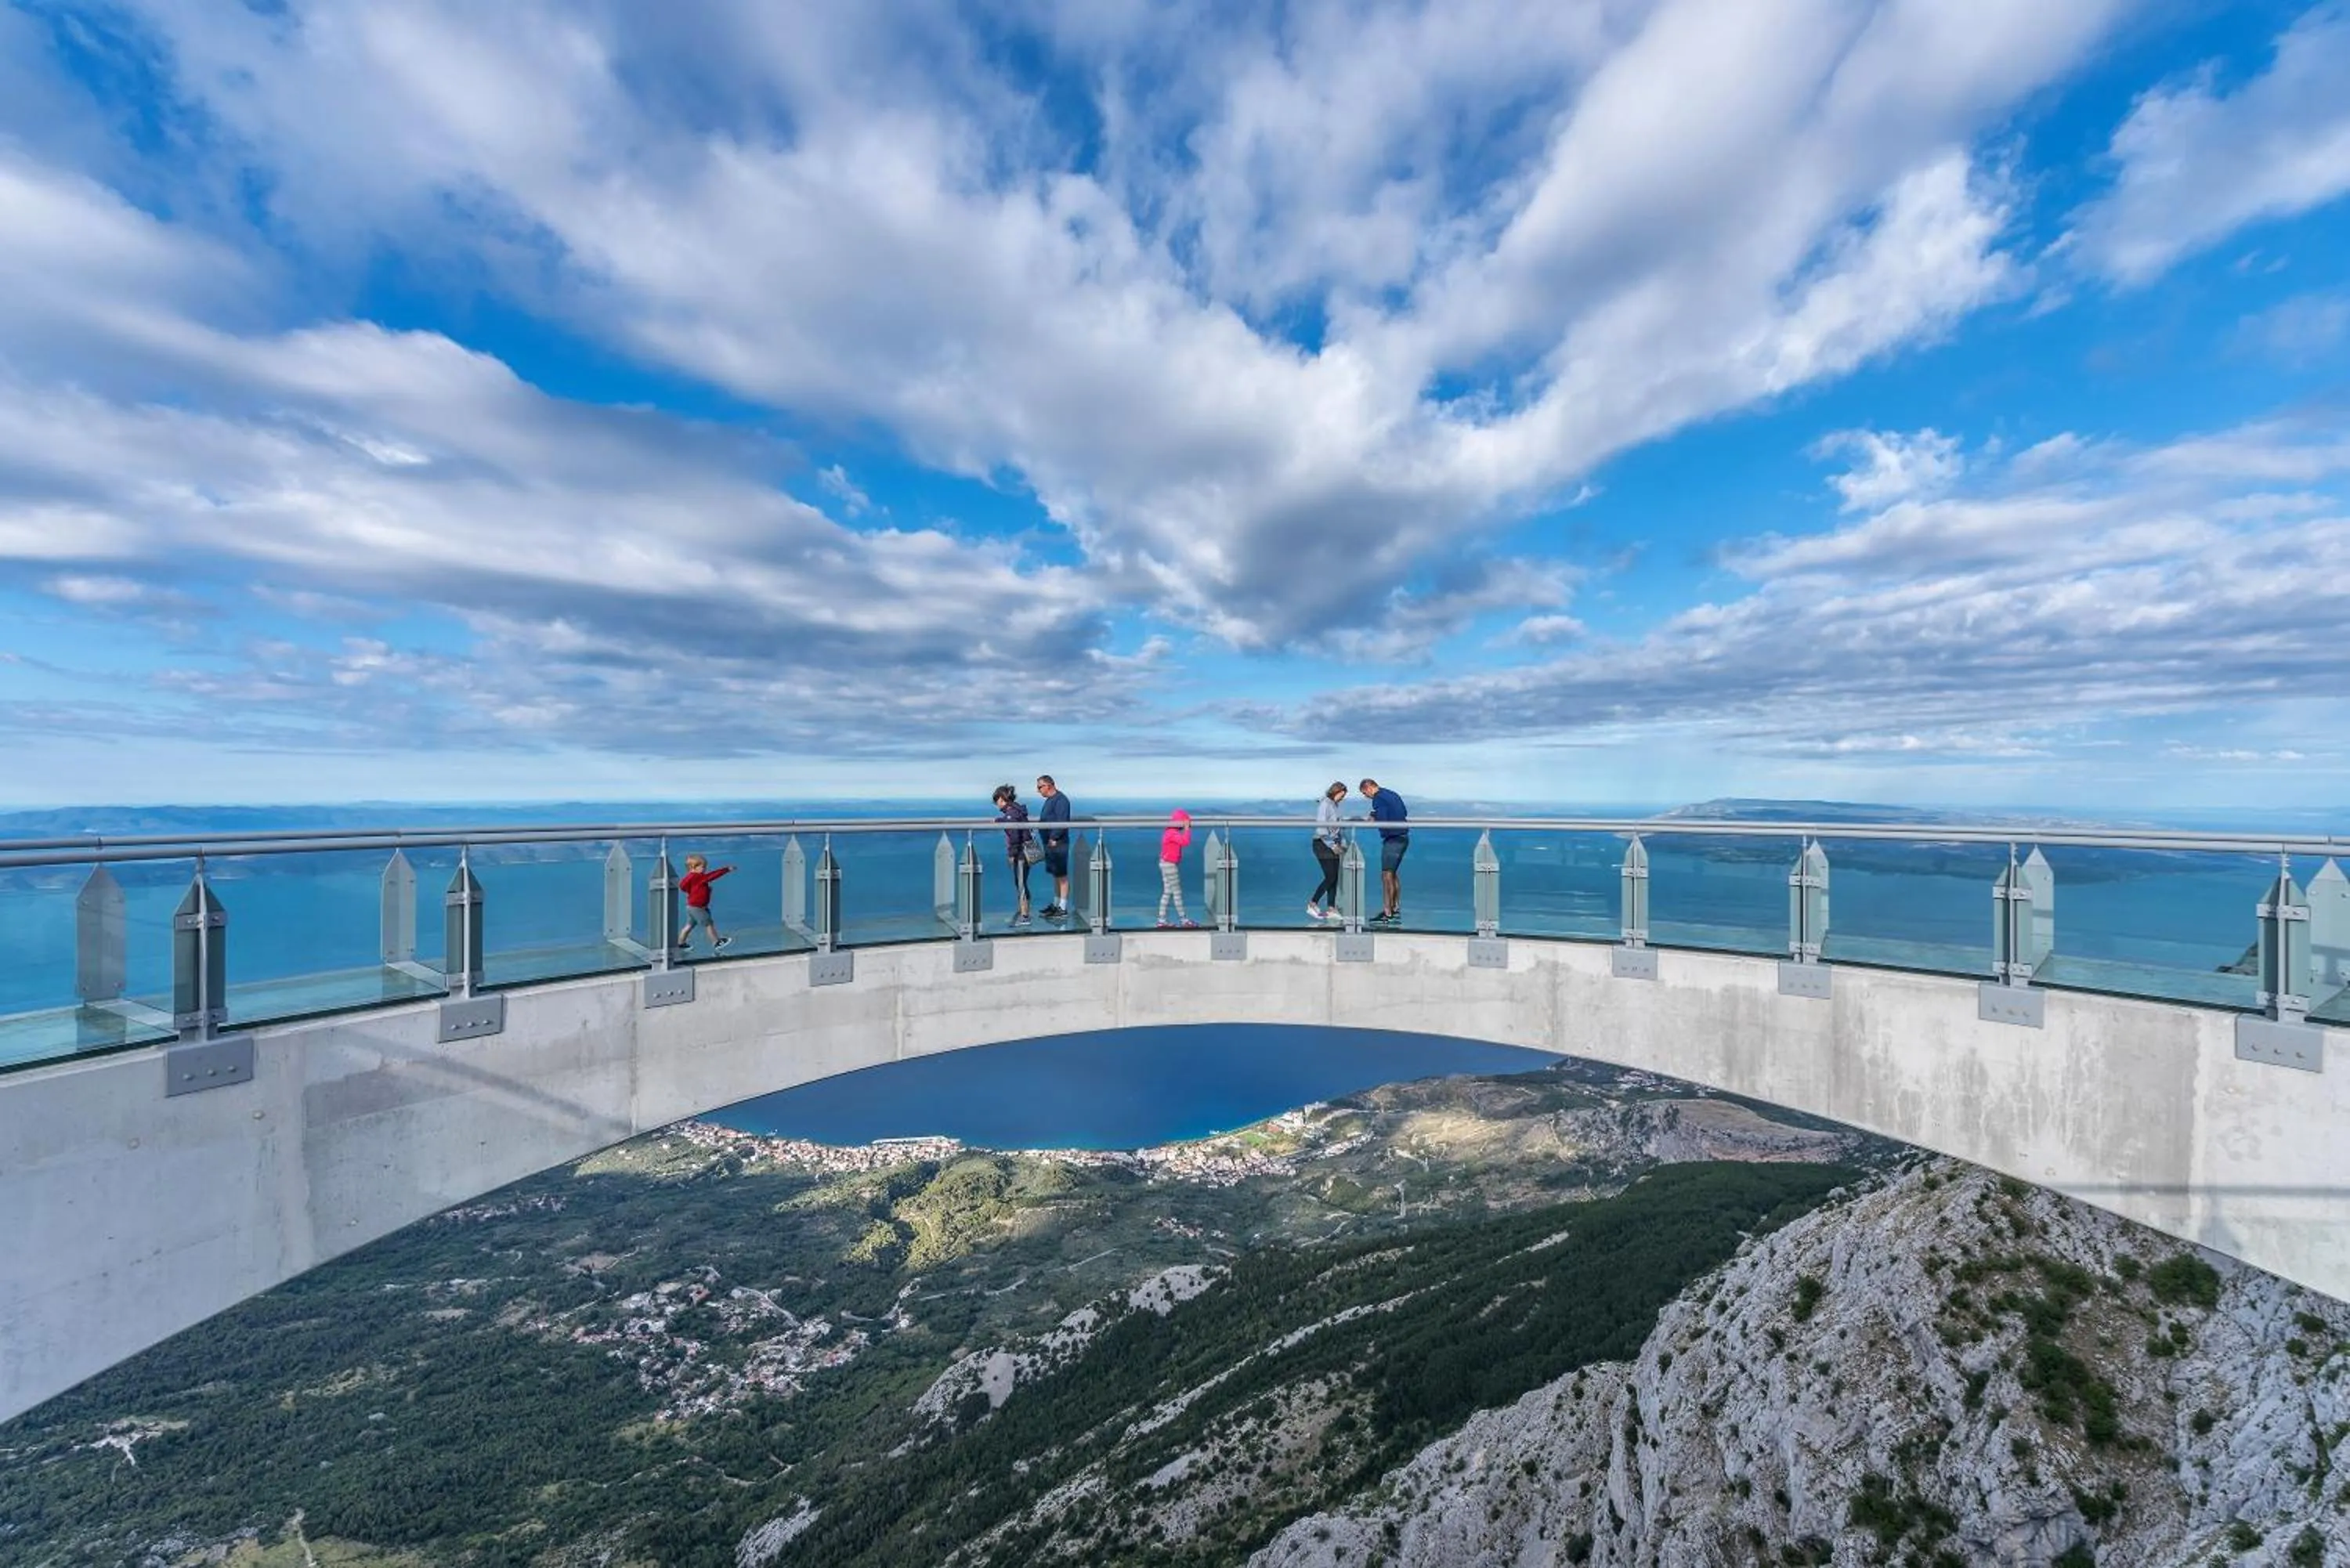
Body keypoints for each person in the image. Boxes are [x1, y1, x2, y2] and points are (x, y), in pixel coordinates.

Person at [1360, 778, 1408, 923]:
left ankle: (1388, 913)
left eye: (1364, 793)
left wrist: (1373, 818)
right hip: (1403, 837)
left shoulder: (1378, 799)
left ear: (1369, 788)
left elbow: (1383, 818)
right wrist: (1375, 814)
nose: (1366, 797)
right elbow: (1403, 812)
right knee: (1392, 874)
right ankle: (1395, 908)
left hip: (1393, 839)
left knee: (1386, 875)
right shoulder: (1391, 794)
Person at [993, 784, 1036, 927]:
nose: (996, 804)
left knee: (1020, 884)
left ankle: (1025, 917)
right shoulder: (1016, 810)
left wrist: (1011, 855)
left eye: (996, 800)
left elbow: (1014, 836)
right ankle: (1023, 913)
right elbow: (1012, 822)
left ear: (1002, 799)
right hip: (1026, 852)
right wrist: (1000, 820)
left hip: (1020, 854)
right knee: (1022, 882)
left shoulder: (1011, 814)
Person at [676, 854, 735, 955]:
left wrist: (699, 891)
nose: (705, 869)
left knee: (689, 925)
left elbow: (682, 886)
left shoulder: (689, 877)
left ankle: (680, 943)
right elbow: (712, 876)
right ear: (694, 867)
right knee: (709, 924)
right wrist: (726, 869)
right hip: (698, 908)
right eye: (703, 867)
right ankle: (716, 942)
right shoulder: (698, 877)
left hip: (691, 906)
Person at [1308, 782, 1347, 920]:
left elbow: (1336, 828)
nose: (1342, 799)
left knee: (1334, 877)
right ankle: (1312, 904)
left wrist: (1341, 843)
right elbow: (1321, 828)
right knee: (1330, 877)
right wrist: (1333, 845)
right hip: (1322, 844)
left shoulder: (1333, 805)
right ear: (1335, 792)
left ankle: (1331, 908)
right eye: (1341, 795)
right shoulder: (1325, 804)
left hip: (1332, 844)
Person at [1036, 774, 1073, 919]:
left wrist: (1054, 837)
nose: (1038, 791)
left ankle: (1062, 908)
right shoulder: (1051, 800)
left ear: (1049, 785)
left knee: (1062, 876)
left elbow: (1062, 821)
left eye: (1040, 787)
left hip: (1058, 843)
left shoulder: (1061, 800)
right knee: (1056, 875)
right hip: (1050, 843)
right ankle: (1056, 904)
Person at [1157, 809, 1198, 927]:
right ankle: (1183, 920)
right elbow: (1185, 842)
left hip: (1165, 863)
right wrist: (1187, 829)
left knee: (1167, 892)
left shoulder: (1169, 832)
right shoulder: (1172, 833)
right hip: (1169, 865)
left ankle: (1162, 919)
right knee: (1177, 892)